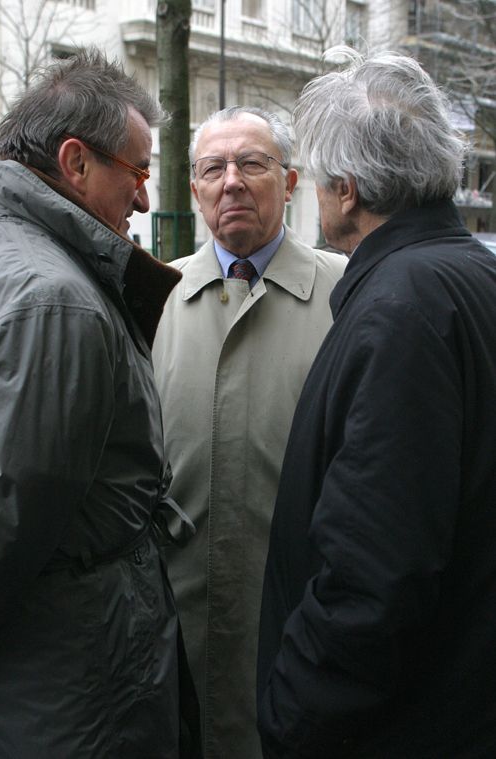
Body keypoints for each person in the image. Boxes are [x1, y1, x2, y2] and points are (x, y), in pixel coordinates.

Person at [257, 46, 496, 758]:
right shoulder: (469, 278)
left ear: (347, 189)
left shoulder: (404, 306)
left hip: (403, 722)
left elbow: (376, 573)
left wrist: (289, 712)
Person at [0, 48, 200, 758]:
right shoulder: (58, 302)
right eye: (138, 171)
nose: (145, 197)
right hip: (74, 693)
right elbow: (5, 525)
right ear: (76, 163)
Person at [152, 106, 346, 759]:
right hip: (175, 640)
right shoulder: (153, 297)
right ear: (195, 190)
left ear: (290, 182)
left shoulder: (349, 293)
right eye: (213, 168)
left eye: (252, 164)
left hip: (308, 638)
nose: (231, 181)